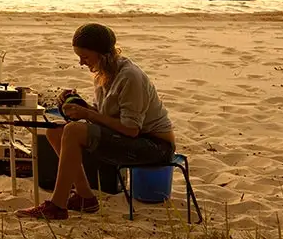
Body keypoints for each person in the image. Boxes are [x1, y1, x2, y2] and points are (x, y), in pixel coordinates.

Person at [17, 23, 175, 220]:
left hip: (154, 146)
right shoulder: (103, 74)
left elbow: (131, 129)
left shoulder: (130, 77)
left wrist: (88, 114)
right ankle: (85, 197)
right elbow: (105, 116)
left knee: (74, 131)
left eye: (85, 57)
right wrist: (79, 106)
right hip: (129, 137)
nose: (82, 63)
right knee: (55, 131)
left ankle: (57, 205)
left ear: (102, 54)